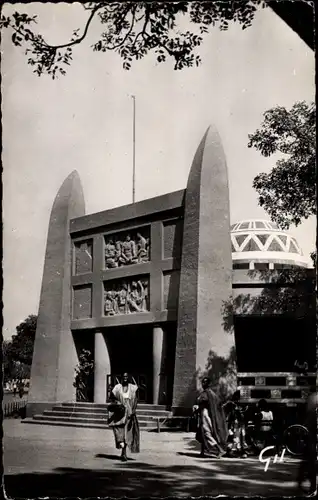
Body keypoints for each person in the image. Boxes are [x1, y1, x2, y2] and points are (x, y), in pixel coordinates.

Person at [108, 373, 140, 461]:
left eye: (126, 377)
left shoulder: (133, 388)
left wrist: (133, 411)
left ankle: (124, 453)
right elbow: (112, 398)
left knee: (126, 434)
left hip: (129, 413)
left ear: (128, 378)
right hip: (119, 413)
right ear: (121, 378)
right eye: (123, 377)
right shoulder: (117, 388)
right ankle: (122, 449)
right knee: (119, 432)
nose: (125, 378)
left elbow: (136, 400)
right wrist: (117, 403)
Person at [194, 377, 228, 458]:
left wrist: (197, 406)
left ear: (208, 384)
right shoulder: (211, 393)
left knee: (206, 433)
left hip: (206, 415)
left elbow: (203, 402)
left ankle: (220, 450)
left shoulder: (207, 393)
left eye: (204, 383)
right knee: (203, 432)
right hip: (205, 414)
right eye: (202, 382)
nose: (203, 384)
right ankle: (202, 452)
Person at [297, 388, 317, 496]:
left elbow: (306, 426)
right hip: (311, 438)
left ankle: (311, 486)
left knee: (310, 462)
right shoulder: (313, 398)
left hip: (311, 440)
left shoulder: (312, 399)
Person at [223, 390, 248, 458]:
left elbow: (228, 412)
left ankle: (234, 451)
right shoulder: (242, 404)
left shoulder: (233, 404)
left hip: (236, 422)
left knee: (235, 437)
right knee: (240, 437)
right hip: (239, 423)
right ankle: (238, 451)